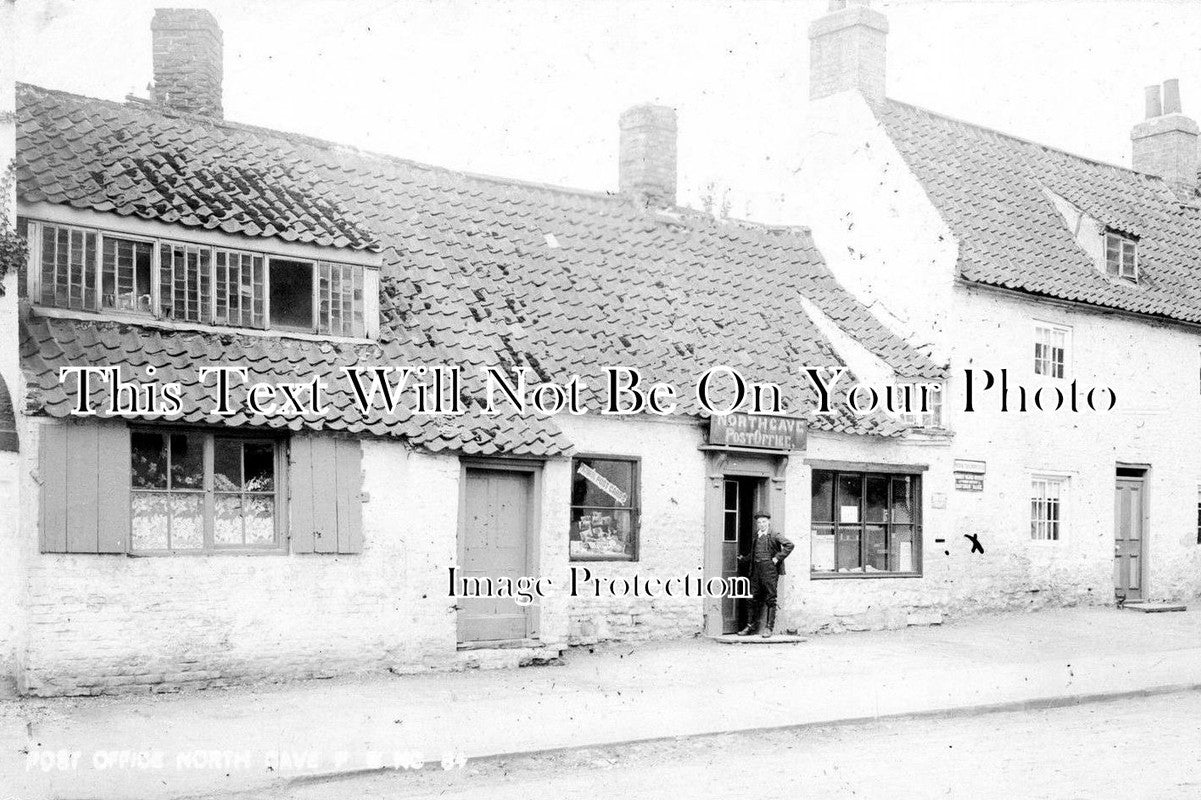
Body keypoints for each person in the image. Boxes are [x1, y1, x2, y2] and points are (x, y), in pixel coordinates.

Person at [737, 512, 794, 638]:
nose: (761, 524)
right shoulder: (756, 536)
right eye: (759, 522)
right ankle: (750, 626)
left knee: (770, 598)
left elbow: (789, 545)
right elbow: (753, 554)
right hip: (756, 571)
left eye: (763, 522)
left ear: (768, 522)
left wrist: (777, 558)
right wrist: (743, 559)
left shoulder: (774, 535)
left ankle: (769, 628)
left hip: (770, 571)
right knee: (751, 598)